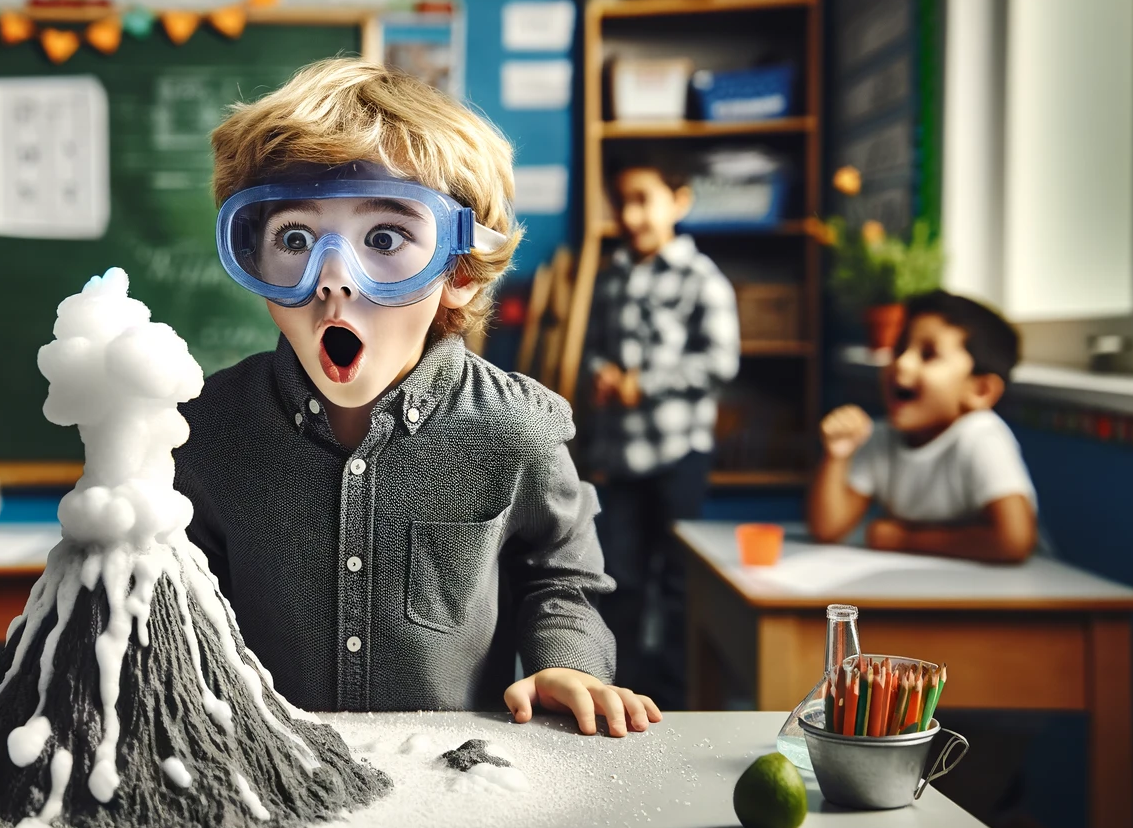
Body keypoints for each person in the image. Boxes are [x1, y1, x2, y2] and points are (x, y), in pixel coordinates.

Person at [181, 57, 655, 737]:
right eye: (294, 239)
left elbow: (562, 579)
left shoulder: (513, 429)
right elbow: (155, 599)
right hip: (264, 780)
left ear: (459, 268)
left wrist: (568, 664)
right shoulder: (206, 433)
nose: (333, 282)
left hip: (455, 790)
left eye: (384, 238)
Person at [582, 152, 739, 707]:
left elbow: (721, 361)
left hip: (677, 454)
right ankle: (620, 690)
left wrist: (644, 383)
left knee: (676, 583)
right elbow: (595, 347)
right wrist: (601, 374)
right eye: (622, 202)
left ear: (680, 201)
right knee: (616, 576)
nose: (631, 215)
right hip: (621, 457)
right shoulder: (614, 275)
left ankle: (675, 695)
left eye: (643, 200)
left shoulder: (701, 278)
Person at [807, 289, 1037, 563]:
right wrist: (837, 456)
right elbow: (827, 529)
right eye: (900, 349)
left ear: (981, 391)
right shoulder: (881, 437)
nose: (902, 362)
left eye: (928, 354)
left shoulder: (980, 435)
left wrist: (904, 540)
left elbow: (1013, 541)